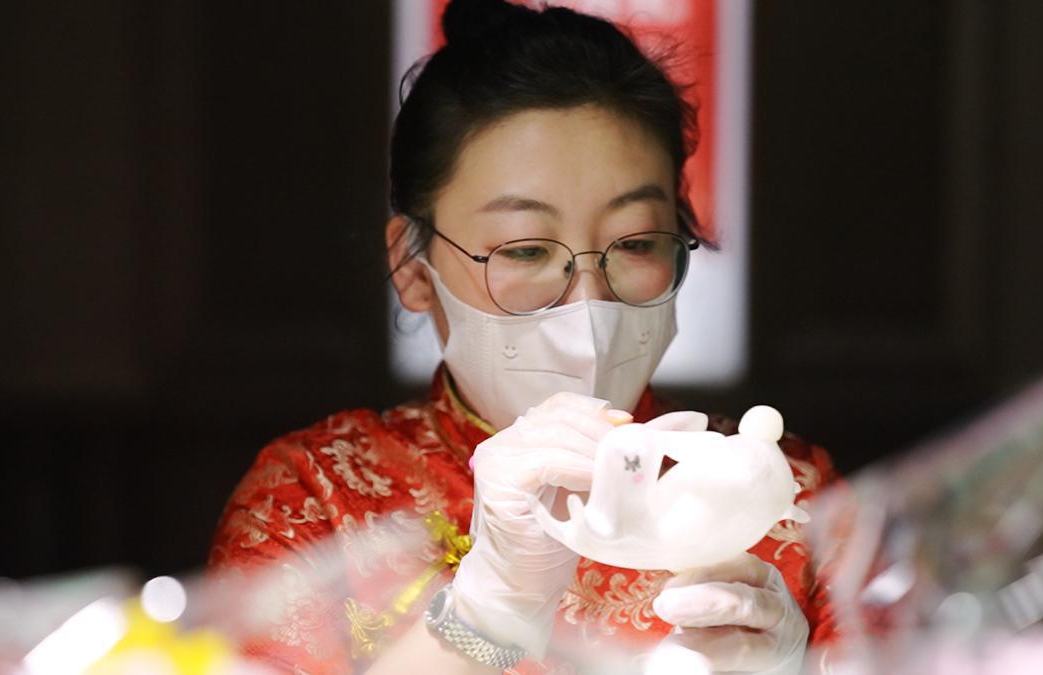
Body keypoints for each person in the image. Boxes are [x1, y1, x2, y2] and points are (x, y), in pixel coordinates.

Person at [209, 0, 839, 672]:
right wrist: (487, 611)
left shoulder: (781, 495)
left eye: (636, 242)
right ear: (412, 267)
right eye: (525, 249)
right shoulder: (314, 499)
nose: (589, 303)